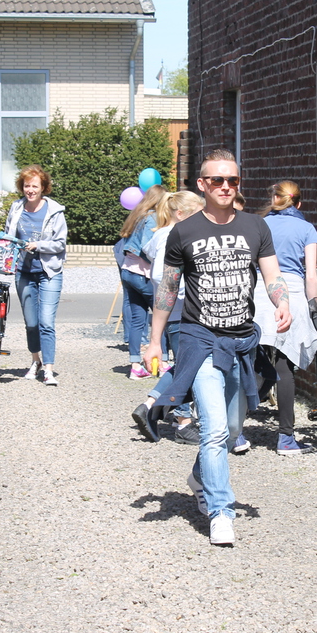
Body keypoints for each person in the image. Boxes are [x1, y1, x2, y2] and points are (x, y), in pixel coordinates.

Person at [143, 149, 291, 547]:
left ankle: (198, 478)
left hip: (241, 342)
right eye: (218, 180)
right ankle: (221, 512)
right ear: (202, 184)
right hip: (201, 340)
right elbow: (168, 289)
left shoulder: (256, 226)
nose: (226, 186)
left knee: (232, 430)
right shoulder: (184, 232)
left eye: (233, 180)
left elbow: (272, 274)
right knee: (214, 429)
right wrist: (154, 341)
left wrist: (283, 301)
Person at [249, 181, 317, 455]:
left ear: (275, 200)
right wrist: (313, 306)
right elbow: (311, 275)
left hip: (260, 291)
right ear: (299, 203)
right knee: (285, 366)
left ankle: (235, 432)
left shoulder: (259, 225)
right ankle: (286, 438)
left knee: (247, 360)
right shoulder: (306, 228)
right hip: (289, 293)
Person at [131, 190, 204, 443]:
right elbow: (162, 277)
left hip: (175, 313)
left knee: (184, 365)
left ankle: (157, 408)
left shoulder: (164, 235)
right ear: (181, 214)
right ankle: (177, 419)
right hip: (180, 312)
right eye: (198, 215)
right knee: (187, 367)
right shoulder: (172, 237)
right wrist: (186, 292)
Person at [4, 165, 68, 386]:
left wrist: (38, 245)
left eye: (34, 186)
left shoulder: (54, 211)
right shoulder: (16, 208)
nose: (30, 190)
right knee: (31, 323)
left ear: (43, 188)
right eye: (26, 186)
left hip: (49, 272)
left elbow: (60, 243)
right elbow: (9, 236)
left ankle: (49, 369)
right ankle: (35, 360)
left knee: (46, 322)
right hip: (23, 271)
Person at [118, 184, 166, 380]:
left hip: (128, 271)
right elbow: (147, 248)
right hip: (142, 274)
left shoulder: (137, 215)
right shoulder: (151, 217)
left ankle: (135, 366)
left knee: (137, 321)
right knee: (161, 317)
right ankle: (162, 363)